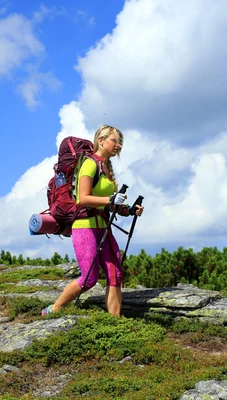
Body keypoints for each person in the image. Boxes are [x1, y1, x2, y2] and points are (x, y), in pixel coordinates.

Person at [42, 125, 144, 316]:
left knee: (115, 274)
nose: (119, 145)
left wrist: (129, 210)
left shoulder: (107, 167)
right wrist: (110, 199)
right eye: (114, 140)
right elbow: (83, 198)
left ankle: (115, 322)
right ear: (101, 140)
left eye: (120, 142)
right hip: (84, 227)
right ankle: (53, 309)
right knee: (89, 279)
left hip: (103, 227)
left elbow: (110, 205)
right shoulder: (89, 164)